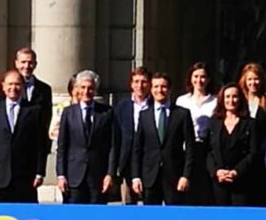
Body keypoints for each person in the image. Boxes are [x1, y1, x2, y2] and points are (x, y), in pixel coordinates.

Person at [0, 70, 47, 203]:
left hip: (25, 176)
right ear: (3, 86)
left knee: (26, 218)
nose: (13, 88)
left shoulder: (34, 111)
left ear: (22, 86)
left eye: (17, 84)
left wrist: (40, 172)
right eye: (10, 84)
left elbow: (41, 144)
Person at [132, 72, 196, 205]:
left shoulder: (182, 114)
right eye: (156, 87)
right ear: (151, 89)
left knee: (175, 218)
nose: (159, 90)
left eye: (163, 87)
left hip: (174, 176)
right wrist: (136, 177)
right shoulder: (144, 115)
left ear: (170, 89)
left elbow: (190, 148)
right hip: (150, 177)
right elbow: (137, 149)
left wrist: (186, 176)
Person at [56, 70, 119, 204]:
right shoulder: (68, 113)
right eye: (83, 87)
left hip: (98, 176)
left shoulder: (107, 112)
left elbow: (113, 146)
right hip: (74, 177)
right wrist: (61, 175)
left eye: (90, 88)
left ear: (95, 90)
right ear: (77, 89)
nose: (86, 91)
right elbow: (62, 146)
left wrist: (110, 174)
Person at [206, 84, 260, 206]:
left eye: (235, 97)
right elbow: (208, 151)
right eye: (227, 97)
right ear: (222, 99)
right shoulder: (214, 123)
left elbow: (253, 152)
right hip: (219, 182)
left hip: (242, 182)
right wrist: (216, 172)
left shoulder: (250, 123)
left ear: (240, 99)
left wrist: (236, 172)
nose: (231, 100)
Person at [176, 62, 217, 205]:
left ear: (209, 79)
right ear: (190, 78)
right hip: (185, 150)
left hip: (206, 149)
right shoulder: (181, 101)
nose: (199, 80)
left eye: (203, 77)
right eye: (196, 76)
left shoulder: (216, 101)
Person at [0, 48, 54, 154]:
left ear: (35, 64)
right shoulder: (6, 87)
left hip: (36, 145)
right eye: (23, 62)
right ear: (16, 63)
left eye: (30, 62)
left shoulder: (44, 89)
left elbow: (47, 117)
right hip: (10, 146)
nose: (27, 66)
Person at [113, 67, 152, 205]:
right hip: (127, 161)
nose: (140, 86)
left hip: (149, 160)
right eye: (136, 82)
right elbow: (116, 136)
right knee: (128, 202)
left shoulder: (155, 105)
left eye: (144, 82)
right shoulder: (122, 107)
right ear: (131, 84)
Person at [238, 63, 266, 142]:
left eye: (256, 79)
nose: (253, 83)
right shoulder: (239, 101)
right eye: (250, 79)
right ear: (244, 81)